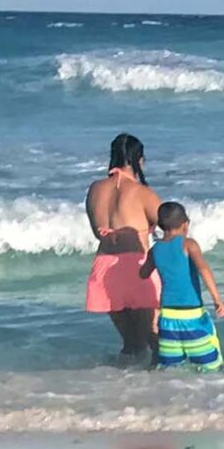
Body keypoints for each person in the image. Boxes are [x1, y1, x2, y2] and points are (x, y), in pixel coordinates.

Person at [84, 133, 161, 363]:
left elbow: (96, 230)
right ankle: (165, 383)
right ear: (140, 160)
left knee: (131, 344)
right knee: (155, 340)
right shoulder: (141, 192)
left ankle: (122, 382)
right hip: (137, 268)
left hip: (104, 267)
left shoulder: (95, 189)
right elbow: (171, 224)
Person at [139, 201, 224, 372]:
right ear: (185, 224)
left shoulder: (155, 250)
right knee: (211, 368)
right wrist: (217, 299)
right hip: (192, 317)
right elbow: (204, 270)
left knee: (171, 369)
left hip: (168, 319)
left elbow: (143, 274)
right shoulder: (189, 244)